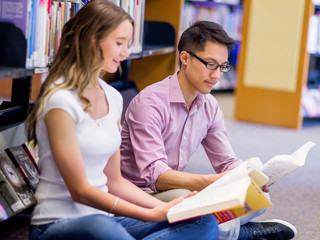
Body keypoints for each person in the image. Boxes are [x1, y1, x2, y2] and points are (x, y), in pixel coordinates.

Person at [25, 2, 219, 240]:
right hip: (58, 224)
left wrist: (165, 209)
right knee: (102, 228)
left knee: (201, 220)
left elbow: (115, 181)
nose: (126, 53)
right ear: (91, 40)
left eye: (127, 44)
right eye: (119, 43)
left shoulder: (113, 98)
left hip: (109, 221)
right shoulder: (60, 100)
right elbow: (80, 191)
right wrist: (151, 214)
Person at [120, 20, 297, 240]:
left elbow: (226, 161)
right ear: (185, 58)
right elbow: (157, 177)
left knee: (255, 202)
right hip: (140, 194)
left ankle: (208, 231)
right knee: (192, 203)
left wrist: (252, 177)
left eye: (223, 66)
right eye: (210, 64)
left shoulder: (209, 105)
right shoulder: (149, 103)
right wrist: (209, 183)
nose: (216, 75)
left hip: (174, 191)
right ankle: (243, 234)